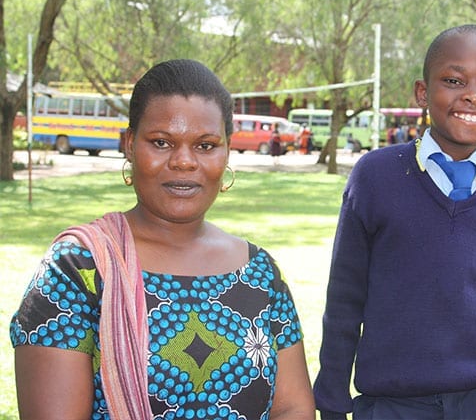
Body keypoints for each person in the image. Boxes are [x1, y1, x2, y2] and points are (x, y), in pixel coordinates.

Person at [10, 59, 315, 420]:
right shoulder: (77, 271)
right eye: (161, 142)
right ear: (129, 144)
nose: (184, 161)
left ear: (227, 151)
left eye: (205, 145)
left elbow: (293, 407)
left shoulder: (260, 273)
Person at [313, 24, 476, 420]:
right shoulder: (375, 178)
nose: (474, 95)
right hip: (394, 404)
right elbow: (344, 301)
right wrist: (333, 401)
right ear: (423, 93)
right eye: (454, 80)